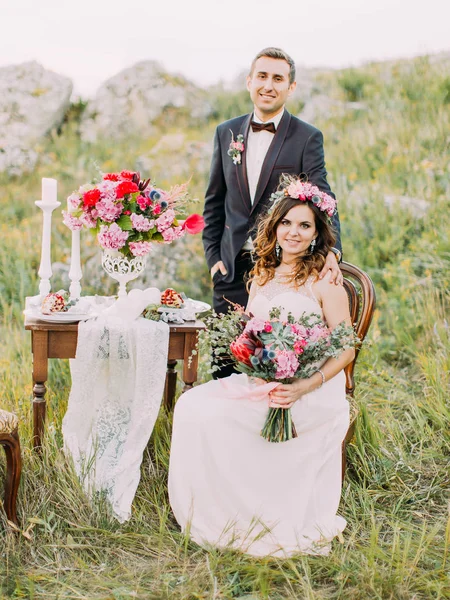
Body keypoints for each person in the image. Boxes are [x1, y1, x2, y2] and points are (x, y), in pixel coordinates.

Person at [168, 176, 355, 557]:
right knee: (192, 407)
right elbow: (252, 335)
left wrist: (303, 385)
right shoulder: (262, 275)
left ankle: (263, 513)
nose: (294, 232)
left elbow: (346, 350)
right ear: (275, 226)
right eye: (287, 223)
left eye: (305, 225)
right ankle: (217, 511)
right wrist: (249, 362)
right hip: (262, 379)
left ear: (317, 232)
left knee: (220, 417)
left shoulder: (324, 281)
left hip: (310, 389)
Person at [202, 47, 343, 350]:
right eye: (262, 76)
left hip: (281, 267)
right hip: (231, 267)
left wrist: (334, 251)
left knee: (273, 359)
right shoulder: (225, 132)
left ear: (291, 87)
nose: (268, 85)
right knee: (225, 358)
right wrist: (214, 258)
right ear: (249, 81)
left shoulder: (307, 137)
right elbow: (214, 201)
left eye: (278, 78)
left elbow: (322, 197)